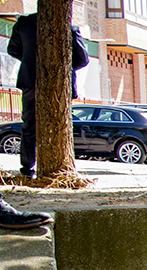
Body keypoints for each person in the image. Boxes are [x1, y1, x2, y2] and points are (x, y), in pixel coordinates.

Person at [6, 12, 89, 178]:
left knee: (29, 127)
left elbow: (12, 49)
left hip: (31, 81)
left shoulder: (23, 23)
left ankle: (27, 170)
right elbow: (82, 59)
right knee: (60, 125)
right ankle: (58, 166)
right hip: (59, 83)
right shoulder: (68, 26)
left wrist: (32, 62)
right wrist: (64, 67)